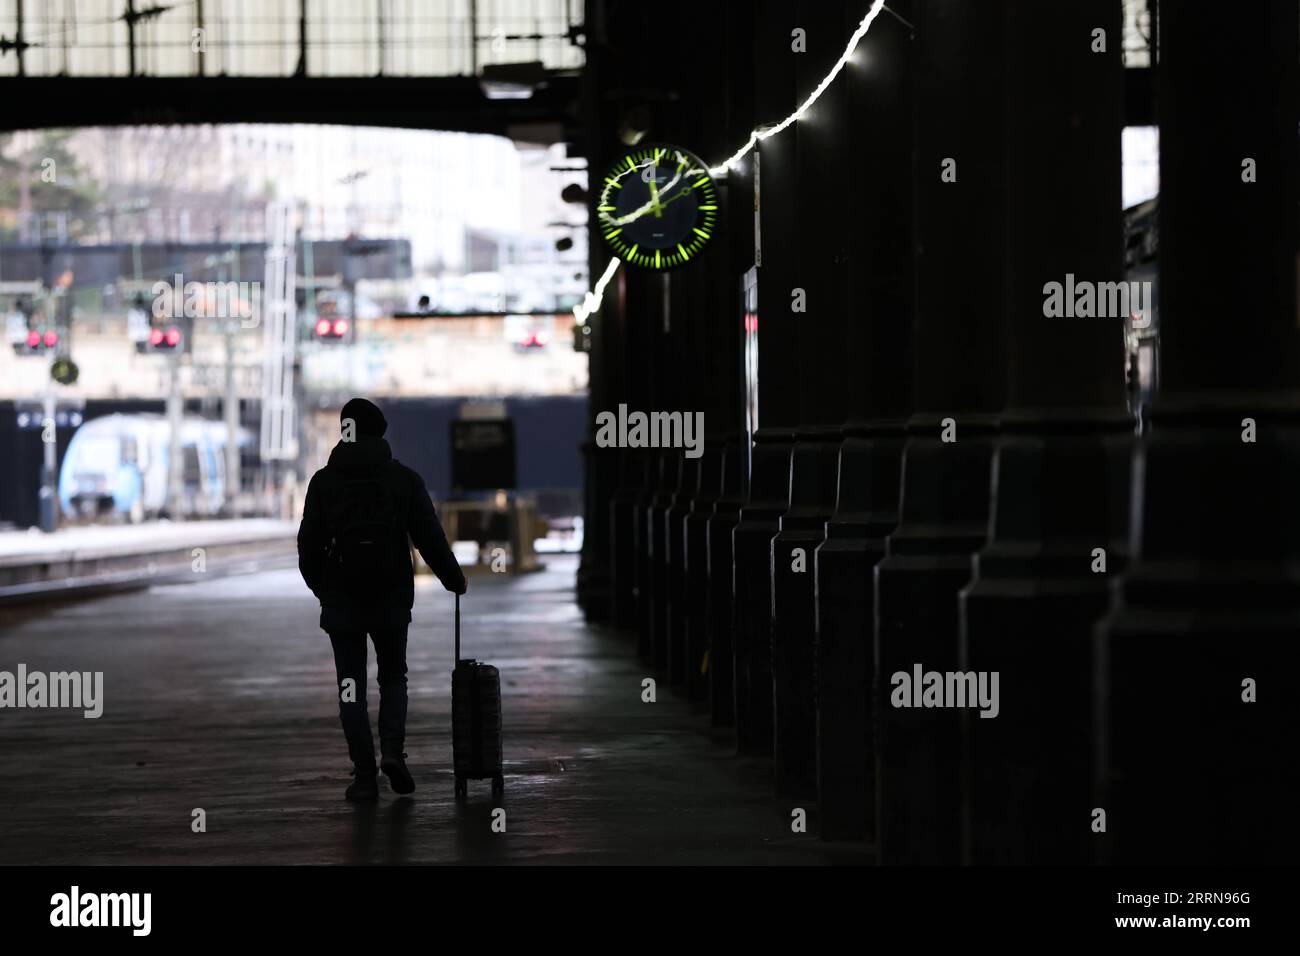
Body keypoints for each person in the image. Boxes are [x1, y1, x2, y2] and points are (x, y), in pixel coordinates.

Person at [297, 398, 467, 801]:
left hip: (343, 604)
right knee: (393, 677)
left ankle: (364, 775)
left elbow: (307, 548)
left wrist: (326, 589)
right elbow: (429, 537)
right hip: (390, 598)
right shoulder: (403, 480)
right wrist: (453, 578)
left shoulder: (324, 482)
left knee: (351, 686)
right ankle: (392, 752)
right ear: (380, 432)